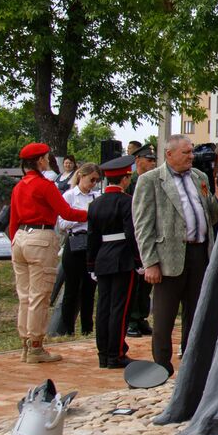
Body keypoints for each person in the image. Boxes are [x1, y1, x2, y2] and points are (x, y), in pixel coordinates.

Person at [133, 135, 218, 373]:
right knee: (164, 319)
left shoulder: (199, 178)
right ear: (169, 154)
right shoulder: (150, 181)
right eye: (186, 153)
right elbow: (143, 225)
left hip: (200, 254)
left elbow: (211, 215)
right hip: (167, 258)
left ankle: (193, 364)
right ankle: (162, 367)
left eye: (192, 152)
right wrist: (150, 262)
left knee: (196, 315)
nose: (191, 156)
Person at [9, 141, 88, 363]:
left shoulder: (19, 186)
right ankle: (36, 346)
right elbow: (66, 212)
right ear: (39, 161)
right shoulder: (44, 185)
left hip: (20, 238)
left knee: (24, 296)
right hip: (40, 238)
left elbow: (13, 221)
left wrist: (15, 240)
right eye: (44, 157)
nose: (47, 160)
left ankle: (25, 344)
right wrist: (91, 214)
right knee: (39, 296)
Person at [87, 155, 139, 369]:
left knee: (103, 307)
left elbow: (92, 236)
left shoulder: (95, 204)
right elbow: (131, 233)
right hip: (122, 258)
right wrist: (138, 259)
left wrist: (91, 265)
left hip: (102, 257)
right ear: (125, 179)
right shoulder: (127, 202)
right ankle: (115, 354)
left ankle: (103, 353)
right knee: (120, 307)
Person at [55, 162, 102, 336]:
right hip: (74, 241)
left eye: (96, 180)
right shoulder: (69, 195)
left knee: (89, 288)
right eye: (91, 179)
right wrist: (82, 216)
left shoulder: (96, 196)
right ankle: (67, 329)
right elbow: (62, 223)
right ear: (82, 176)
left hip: (91, 242)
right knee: (71, 288)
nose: (93, 184)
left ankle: (87, 328)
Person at [126, 143, 158, 338]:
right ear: (138, 161)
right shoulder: (132, 183)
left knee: (147, 283)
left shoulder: (154, 180)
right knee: (135, 283)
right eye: (149, 159)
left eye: (154, 159)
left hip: (151, 236)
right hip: (135, 237)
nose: (153, 163)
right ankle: (131, 319)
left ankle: (141, 317)